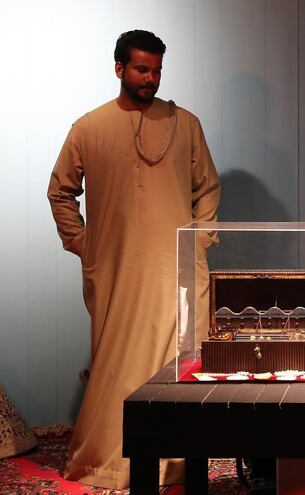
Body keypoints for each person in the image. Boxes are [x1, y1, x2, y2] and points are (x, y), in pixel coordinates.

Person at [47, 30, 220, 489]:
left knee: (178, 359)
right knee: (118, 362)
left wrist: (198, 242)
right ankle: (110, 457)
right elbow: (60, 192)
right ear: (120, 69)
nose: (151, 78)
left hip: (175, 270)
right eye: (143, 69)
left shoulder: (185, 123)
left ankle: (178, 458)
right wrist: (87, 246)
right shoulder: (89, 127)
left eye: (158, 69)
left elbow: (208, 189)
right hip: (118, 271)